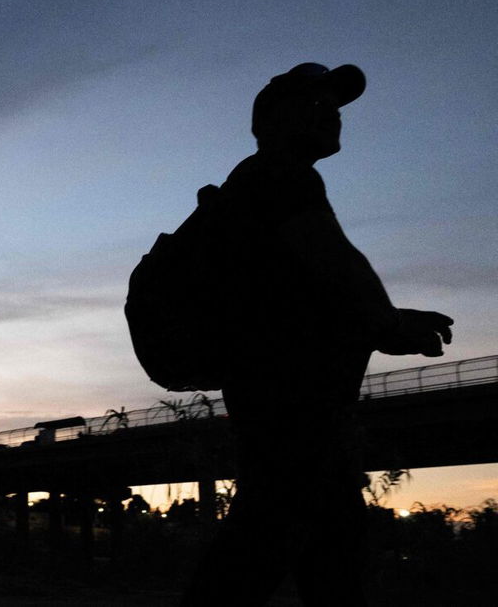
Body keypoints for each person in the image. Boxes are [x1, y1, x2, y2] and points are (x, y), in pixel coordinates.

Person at [181, 63, 454, 604]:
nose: (332, 116)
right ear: (275, 118)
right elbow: (335, 263)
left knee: (319, 538)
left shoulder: (253, 183)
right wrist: (390, 324)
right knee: (276, 530)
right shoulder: (280, 177)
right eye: (316, 104)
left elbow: (314, 285)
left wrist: (382, 323)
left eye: (335, 107)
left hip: (279, 394)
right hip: (292, 398)